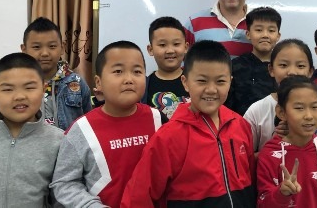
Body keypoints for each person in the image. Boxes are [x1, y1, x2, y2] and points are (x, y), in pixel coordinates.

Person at [121, 40, 255, 208]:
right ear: (185, 82)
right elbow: (138, 197)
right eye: (202, 81)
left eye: (220, 81)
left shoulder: (241, 125)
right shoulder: (168, 137)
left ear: (230, 81)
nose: (211, 89)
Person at [50, 41, 165, 208]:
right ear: (98, 82)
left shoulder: (159, 120)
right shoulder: (81, 130)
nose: (129, 79)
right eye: (118, 71)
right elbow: (64, 184)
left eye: (137, 71)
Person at [0, 53, 64, 207]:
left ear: (43, 89)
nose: (19, 96)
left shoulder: (59, 142)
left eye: (29, 87)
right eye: (8, 89)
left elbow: (65, 196)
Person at [0, 17, 92, 130]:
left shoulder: (77, 83)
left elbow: (89, 125)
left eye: (52, 46)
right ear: (24, 49)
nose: (45, 53)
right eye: (36, 47)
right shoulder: (11, 85)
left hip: (68, 155)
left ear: (62, 47)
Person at [257, 75, 317, 208]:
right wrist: (281, 194)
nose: (309, 116)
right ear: (281, 112)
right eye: (299, 108)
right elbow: (263, 203)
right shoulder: (268, 155)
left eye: (315, 107)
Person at [244, 39, 317, 153]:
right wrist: (276, 143)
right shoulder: (256, 110)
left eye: (300, 66)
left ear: (310, 72)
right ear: (271, 69)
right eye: (283, 65)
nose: (292, 72)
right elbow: (244, 159)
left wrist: (304, 138)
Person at [226, 6, 281, 116]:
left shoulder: (283, 67)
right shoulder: (235, 66)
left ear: (278, 36)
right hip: (240, 127)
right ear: (248, 34)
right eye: (259, 30)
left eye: (271, 30)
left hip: (276, 129)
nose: (265, 35)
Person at [143, 16, 189, 118]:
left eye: (176, 44)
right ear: (150, 49)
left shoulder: (195, 81)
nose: (170, 50)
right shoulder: (143, 86)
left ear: (186, 47)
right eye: (162, 45)